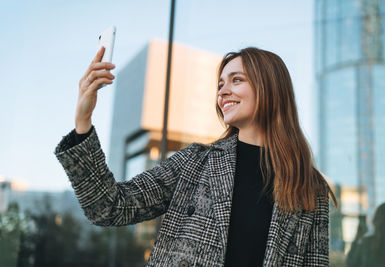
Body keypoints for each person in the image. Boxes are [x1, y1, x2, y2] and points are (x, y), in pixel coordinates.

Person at [54, 46, 337, 266]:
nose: (223, 91)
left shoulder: (309, 187)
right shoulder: (195, 162)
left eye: (236, 80)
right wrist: (83, 122)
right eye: (220, 85)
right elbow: (109, 207)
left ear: (270, 89)